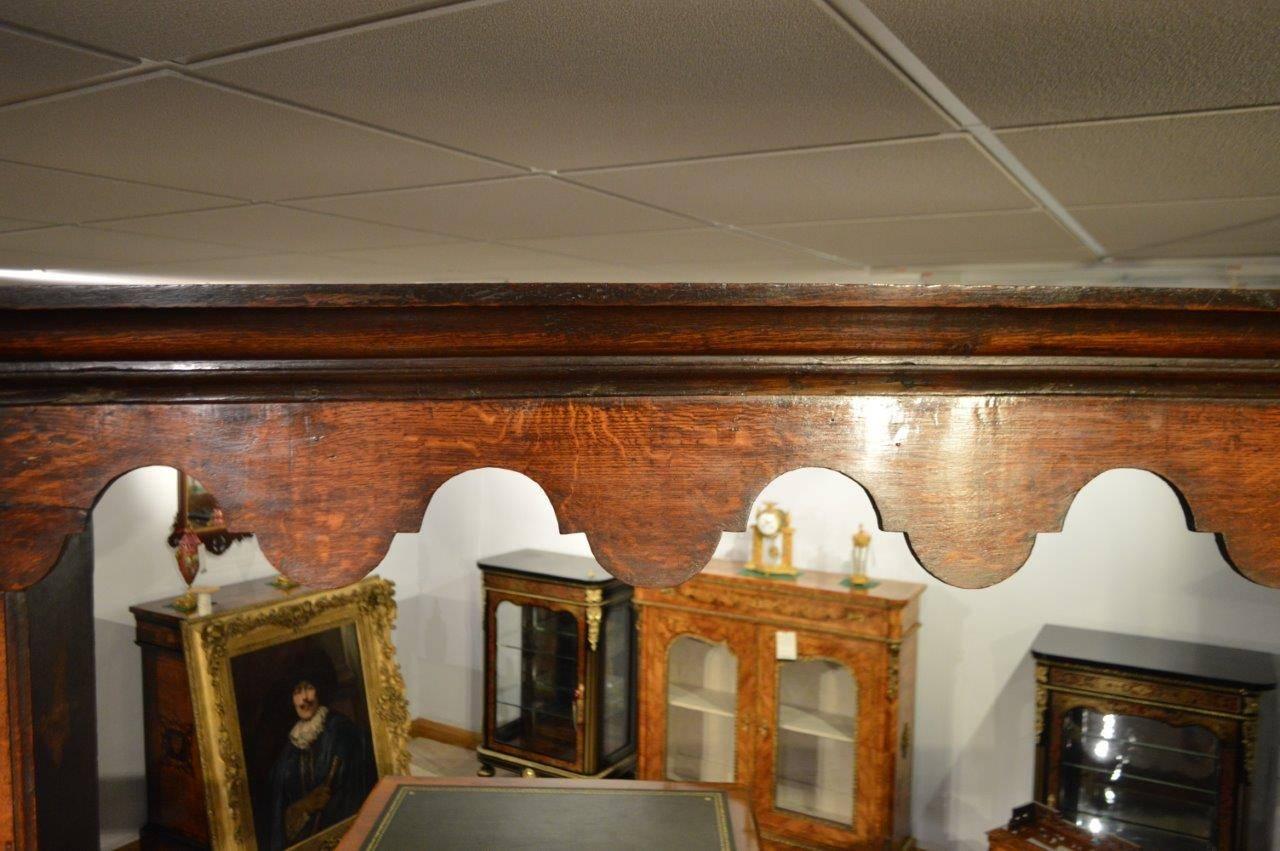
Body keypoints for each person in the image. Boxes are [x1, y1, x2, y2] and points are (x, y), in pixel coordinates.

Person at [262, 675, 377, 849]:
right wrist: (303, 806)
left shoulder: (341, 731)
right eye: (297, 691)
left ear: (319, 690)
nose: (304, 698)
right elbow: (277, 802)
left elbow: (354, 787)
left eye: (309, 688)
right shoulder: (290, 747)